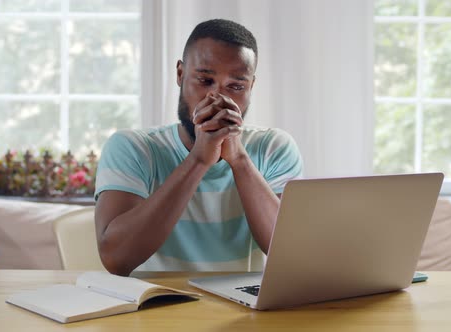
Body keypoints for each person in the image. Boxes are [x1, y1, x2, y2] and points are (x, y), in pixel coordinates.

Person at [94, 19, 303, 276]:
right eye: (205, 80)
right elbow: (116, 258)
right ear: (180, 74)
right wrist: (198, 161)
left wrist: (238, 159)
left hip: (242, 309)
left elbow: (292, 253)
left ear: (251, 87)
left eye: (236, 86)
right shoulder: (133, 148)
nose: (217, 98)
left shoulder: (273, 147)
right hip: (154, 306)